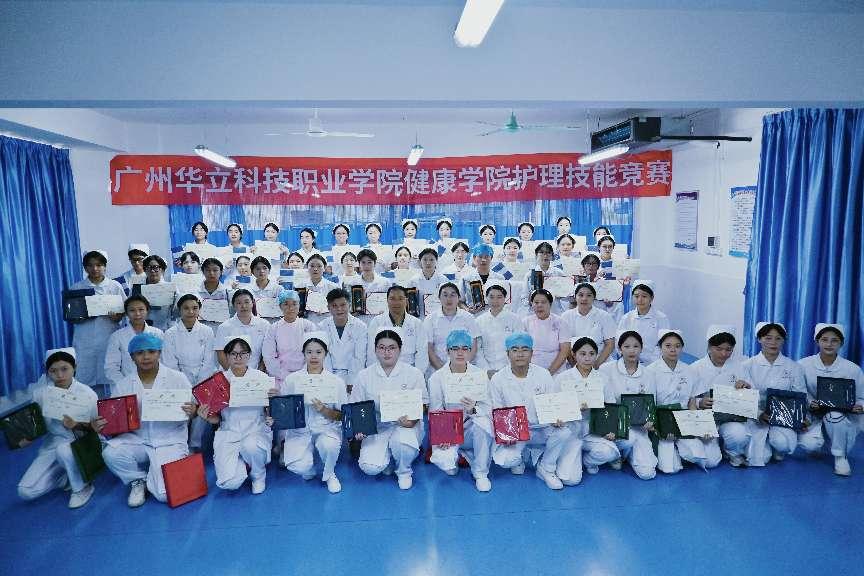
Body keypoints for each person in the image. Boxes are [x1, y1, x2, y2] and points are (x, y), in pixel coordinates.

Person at [100, 333, 196, 507]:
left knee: (164, 495)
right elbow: (115, 419)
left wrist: (193, 411)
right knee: (111, 453)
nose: (146, 357)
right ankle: (138, 480)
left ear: (159, 353)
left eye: (151, 351)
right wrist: (104, 425)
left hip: (169, 439)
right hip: (138, 439)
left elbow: (192, 408)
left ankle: (163, 469)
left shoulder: (177, 378)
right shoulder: (124, 385)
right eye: (139, 353)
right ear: (132, 357)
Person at [488, 332, 574, 490]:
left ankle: (546, 468)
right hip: (515, 433)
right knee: (506, 461)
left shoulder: (544, 375)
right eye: (515, 350)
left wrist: (557, 418)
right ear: (508, 353)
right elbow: (497, 410)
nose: (520, 354)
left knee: (564, 432)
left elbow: (553, 403)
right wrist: (506, 434)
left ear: (532, 353)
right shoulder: (498, 379)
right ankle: (521, 456)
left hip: (541, 428)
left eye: (525, 349)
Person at [17, 348, 99, 509]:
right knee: (25, 491)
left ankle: (82, 487)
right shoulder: (40, 395)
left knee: (64, 450)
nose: (59, 375)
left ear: (74, 368)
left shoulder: (87, 394)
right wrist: (27, 438)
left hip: (83, 443)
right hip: (52, 445)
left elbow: (97, 429)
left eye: (64, 369)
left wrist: (78, 425)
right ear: (47, 372)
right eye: (53, 371)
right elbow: (36, 426)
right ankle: (66, 475)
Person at [351, 328, 428, 490]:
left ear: (400, 349)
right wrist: (359, 428)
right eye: (382, 347)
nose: (386, 352)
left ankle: (404, 470)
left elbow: (422, 404)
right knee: (370, 467)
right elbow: (356, 407)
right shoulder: (364, 376)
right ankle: (389, 457)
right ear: (375, 350)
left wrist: (412, 421)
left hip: (405, 426)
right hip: (377, 427)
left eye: (392, 347)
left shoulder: (413, 374)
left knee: (403, 445)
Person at [200, 336, 273, 494]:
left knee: (251, 447)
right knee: (229, 483)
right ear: (227, 356)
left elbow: (270, 410)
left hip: (255, 430)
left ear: (249, 355)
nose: (238, 358)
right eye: (233, 354)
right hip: (229, 432)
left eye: (243, 353)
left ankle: (258, 474)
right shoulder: (217, 381)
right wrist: (207, 416)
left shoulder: (261, 378)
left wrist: (273, 405)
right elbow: (216, 419)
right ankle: (243, 463)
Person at [278, 332, 348, 493]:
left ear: (325, 353)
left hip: (326, 429)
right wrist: (277, 404)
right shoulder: (292, 380)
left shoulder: (336, 382)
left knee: (329, 446)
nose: (314, 356)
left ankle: (329, 474)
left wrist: (324, 410)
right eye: (309, 352)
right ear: (303, 353)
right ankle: (309, 467)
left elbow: (342, 415)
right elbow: (283, 411)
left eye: (318, 352)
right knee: (298, 466)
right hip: (299, 431)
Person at [427, 330, 494, 492]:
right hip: (449, 430)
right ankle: (456, 457)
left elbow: (488, 408)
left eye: (465, 348)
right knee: (447, 465)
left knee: (483, 423)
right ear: (447, 351)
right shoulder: (436, 378)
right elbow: (435, 410)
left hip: (471, 427)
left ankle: (480, 472)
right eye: (455, 348)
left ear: (470, 351)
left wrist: (473, 409)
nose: (460, 352)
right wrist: (444, 435)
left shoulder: (480, 375)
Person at [647, 330, 719, 473]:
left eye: (677, 346)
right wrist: (657, 427)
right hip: (661, 421)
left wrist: (699, 426)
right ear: (660, 347)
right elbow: (649, 404)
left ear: (682, 348)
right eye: (668, 346)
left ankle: (682, 449)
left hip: (684, 420)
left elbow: (692, 402)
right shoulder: (650, 371)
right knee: (670, 469)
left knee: (712, 461)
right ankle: (672, 450)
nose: (673, 350)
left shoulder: (689, 370)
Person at [798, 323, 864, 476]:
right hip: (813, 416)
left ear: (841, 343)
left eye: (834, 340)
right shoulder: (803, 365)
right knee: (810, 445)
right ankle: (820, 443)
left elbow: (862, 396)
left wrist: (860, 406)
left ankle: (841, 457)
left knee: (834, 415)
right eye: (824, 339)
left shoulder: (852, 369)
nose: (829, 344)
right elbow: (799, 390)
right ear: (817, 341)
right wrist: (809, 402)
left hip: (841, 420)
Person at [741, 322, 808, 466]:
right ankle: (764, 445)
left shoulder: (794, 367)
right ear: (759, 339)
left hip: (784, 416)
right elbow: (744, 398)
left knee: (783, 444)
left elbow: (800, 395)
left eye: (778, 338)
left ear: (783, 341)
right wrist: (759, 414)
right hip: (756, 417)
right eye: (768, 338)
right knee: (760, 458)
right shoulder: (747, 366)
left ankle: (777, 447)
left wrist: (800, 417)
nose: (773, 342)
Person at [161, 293, 218, 452]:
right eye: (186, 308)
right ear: (179, 310)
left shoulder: (207, 331)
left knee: (203, 405)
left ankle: (195, 443)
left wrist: (198, 388)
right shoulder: (170, 333)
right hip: (179, 378)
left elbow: (209, 362)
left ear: (199, 309)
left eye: (194, 308)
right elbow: (170, 363)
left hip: (204, 378)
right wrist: (186, 387)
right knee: (183, 408)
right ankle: (180, 443)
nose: (191, 312)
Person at [689, 325, 753, 467]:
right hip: (706, 417)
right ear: (709, 347)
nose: (724, 354)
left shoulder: (739, 367)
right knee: (711, 462)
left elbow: (751, 397)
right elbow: (687, 397)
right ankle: (715, 445)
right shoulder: (695, 368)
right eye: (719, 349)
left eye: (728, 349)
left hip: (730, 417)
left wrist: (746, 388)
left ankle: (733, 453)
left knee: (739, 435)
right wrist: (700, 402)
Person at [598, 331, 658, 480]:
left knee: (647, 473)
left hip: (639, 427)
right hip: (614, 425)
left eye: (636, 346)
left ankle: (627, 454)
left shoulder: (648, 374)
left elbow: (651, 404)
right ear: (619, 349)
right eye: (627, 346)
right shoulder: (606, 369)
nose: (632, 350)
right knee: (628, 439)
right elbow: (601, 402)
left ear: (641, 348)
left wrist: (650, 420)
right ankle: (616, 455)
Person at [556, 337, 619, 477]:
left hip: (594, 429)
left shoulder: (603, 378)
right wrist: (571, 410)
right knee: (571, 479)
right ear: (574, 354)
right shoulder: (562, 378)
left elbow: (611, 407)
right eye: (582, 354)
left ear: (596, 355)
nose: (587, 358)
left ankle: (589, 461)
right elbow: (555, 407)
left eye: (591, 354)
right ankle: (571, 458)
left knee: (610, 452)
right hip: (569, 430)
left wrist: (609, 428)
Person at [70, 250, 126, 391]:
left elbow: (124, 311)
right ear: (85, 267)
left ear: (105, 266)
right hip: (84, 339)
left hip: (108, 337)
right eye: (90, 265)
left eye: (99, 265)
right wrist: (81, 315)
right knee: (86, 378)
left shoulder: (114, 286)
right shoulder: (76, 288)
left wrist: (117, 317)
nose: (95, 269)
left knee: (111, 375)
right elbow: (70, 315)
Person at [104, 295, 164, 396]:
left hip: (156, 388)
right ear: (126, 313)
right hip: (127, 390)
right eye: (132, 310)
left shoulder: (158, 334)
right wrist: (127, 385)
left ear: (147, 311)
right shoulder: (117, 336)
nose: (137, 314)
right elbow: (111, 368)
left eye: (141, 309)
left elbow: (164, 362)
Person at [366, 285, 429, 373]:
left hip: (410, 370)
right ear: (387, 301)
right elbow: (371, 352)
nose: (396, 302)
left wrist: (418, 374)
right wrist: (376, 374)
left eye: (400, 298)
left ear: (406, 301)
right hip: (383, 370)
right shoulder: (377, 322)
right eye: (392, 299)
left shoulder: (416, 323)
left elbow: (422, 353)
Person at [424, 282, 481, 377]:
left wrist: (462, 368)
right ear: (439, 298)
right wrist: (443, 370)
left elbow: (474, 346)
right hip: (438, 369)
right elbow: (429, 349)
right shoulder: (430, 319)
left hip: (465, 370)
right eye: (445, 295)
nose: (449, 299)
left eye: (452, 295)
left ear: (458, 298)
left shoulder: (468, 317)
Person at [262, 289, 317, 386]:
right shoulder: (273, 328)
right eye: (286, 304)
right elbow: (268, 356)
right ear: (280, 306)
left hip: (306, 376)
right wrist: (283, 375)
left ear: (299, 305)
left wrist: (303, 374)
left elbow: (315, 353)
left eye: (294, 304)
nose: (290, 308)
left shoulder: (309, 326)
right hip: (280, 377)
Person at [317, 289, 367, 393]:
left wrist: (351, 381)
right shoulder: (322, 327)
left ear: (349, 305)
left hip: (353, 377)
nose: (339, 309)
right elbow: (324, 357)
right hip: (329, 376)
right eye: (334, 306)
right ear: (328, 308)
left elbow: (359, 357)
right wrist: (329, 380)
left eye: (343, 305)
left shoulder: (360, 327)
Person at [561, 282, 616, 367]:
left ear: (594, 298)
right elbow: (564, 344)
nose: (584, 298)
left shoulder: (604, 316)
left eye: (589, 295)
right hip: (573, 364)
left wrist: (596, 365)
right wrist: (575, 366)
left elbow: (610, 344)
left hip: (600, 363)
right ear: (575, 297)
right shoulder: (566, 316)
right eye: (581, 295)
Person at [215, 289, 270, 371]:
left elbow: (267, 352)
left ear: (253, 303)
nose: (243, 306)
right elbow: (220, 354)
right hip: (230, 373)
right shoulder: (224, 327)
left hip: (256, 372)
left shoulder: (264, 325)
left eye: (247, 302)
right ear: (233, 305)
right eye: (239, 303)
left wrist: (259, 372)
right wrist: (233, 374)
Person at [617, 280, 670, 364]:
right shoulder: (626, 318)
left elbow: (665, 343)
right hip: (629, 362)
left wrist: (651, 361)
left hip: (654, 363)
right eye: (636, 296)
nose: (640, 300)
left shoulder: (661, 318)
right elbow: (619, 341)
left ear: (652, 298)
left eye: (644, 296)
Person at [477, 283, 522, 378]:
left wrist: (510, 369)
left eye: (499, 297)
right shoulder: (479, 321)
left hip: (511, 369)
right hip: (486, 371)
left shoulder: (515, 319)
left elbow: (519, 346)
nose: (495, 301)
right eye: (491, 297)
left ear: (505, 299)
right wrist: (486, 370)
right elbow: (477, 349)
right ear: (486, 298)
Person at [522, 289, 571, 375]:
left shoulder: (561, 322)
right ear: (532, 304)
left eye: (543, 302)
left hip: (556, 371)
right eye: (536, 302)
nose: (539, 305)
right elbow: (522, 349)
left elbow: (564, 351)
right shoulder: (526, 322)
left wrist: (549, 372)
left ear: (550, 304)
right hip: (532, 369)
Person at [343, 248, 393, 325]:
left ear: (375, 263)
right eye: (363, 262)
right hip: (359, 321)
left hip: (380, 321)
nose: (366, 266)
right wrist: (352, 311)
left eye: (369, 262)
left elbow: (391, 303)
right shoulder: (352, 283)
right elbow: (348, 306)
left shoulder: (385, 282)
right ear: (359, 264)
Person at [519, 242, 568, 315]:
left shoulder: (559, 273)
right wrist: (530, 300)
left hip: (555, 312)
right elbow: (524, 298)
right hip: (535, 313)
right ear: (536, 255)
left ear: (552, 256)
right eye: (541, 252)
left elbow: (566, 297)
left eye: (548, 253)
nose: (545, 255)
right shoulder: (530, 275)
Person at [459, 244, 505, 315]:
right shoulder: (466, 278)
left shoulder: (500, 278)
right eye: (480, 257)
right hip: (474, 316)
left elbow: (505, 300)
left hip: (495, 316)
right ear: (474, 258)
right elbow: (459, 301)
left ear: (491, 258)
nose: (483, 260)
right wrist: (467, 310)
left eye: (487, 257)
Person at [580, 253, 623, 322]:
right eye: (588, 263)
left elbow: (615, 308)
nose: (591, 266)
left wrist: (610, 305)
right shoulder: (577, 284)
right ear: (583, 266)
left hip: (599, 320)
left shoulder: (607, 284)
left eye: (594, 264)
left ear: (598, 266)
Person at [299, 253, 340, 324]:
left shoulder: (333, 287)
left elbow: (339, 308)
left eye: (319, 266)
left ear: (324, 267)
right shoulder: (300, 286)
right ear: (306, 267)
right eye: (312, 266)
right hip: (305, 323)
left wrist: (326, 308)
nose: (315, 269)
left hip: (328, 323)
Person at [408, 247, 449, 312]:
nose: (428, 263)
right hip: (420, 316)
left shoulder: (443, 280)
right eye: (425, 259)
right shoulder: (413, 281)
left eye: (431, 260)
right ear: (420, 262)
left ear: (436, 261)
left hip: (439, 315)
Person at [140, 254, 174, 331]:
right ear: (145, 270)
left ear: (162, 270)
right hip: (142, 330)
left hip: (164, 329)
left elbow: (176, 311)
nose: (152, 271)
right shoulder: (136, 288)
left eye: (155, 267)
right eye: (149, 267)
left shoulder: (171, 288)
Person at [198, 257, 231, 330]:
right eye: (208, 270)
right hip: (200, 329)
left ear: (221, 271)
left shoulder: (227, 292)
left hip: (220, 329)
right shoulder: (196, 291)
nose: (211, 273)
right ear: (203, 271)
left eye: (215, 270)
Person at [248, 256, 282, 323]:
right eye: (258, 269)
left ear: (269, 270)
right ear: (252, 272)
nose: (261, 271)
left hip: (274, 323)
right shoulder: (248, 290)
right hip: (254, 323)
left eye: (264, 268)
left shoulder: (278, 289)